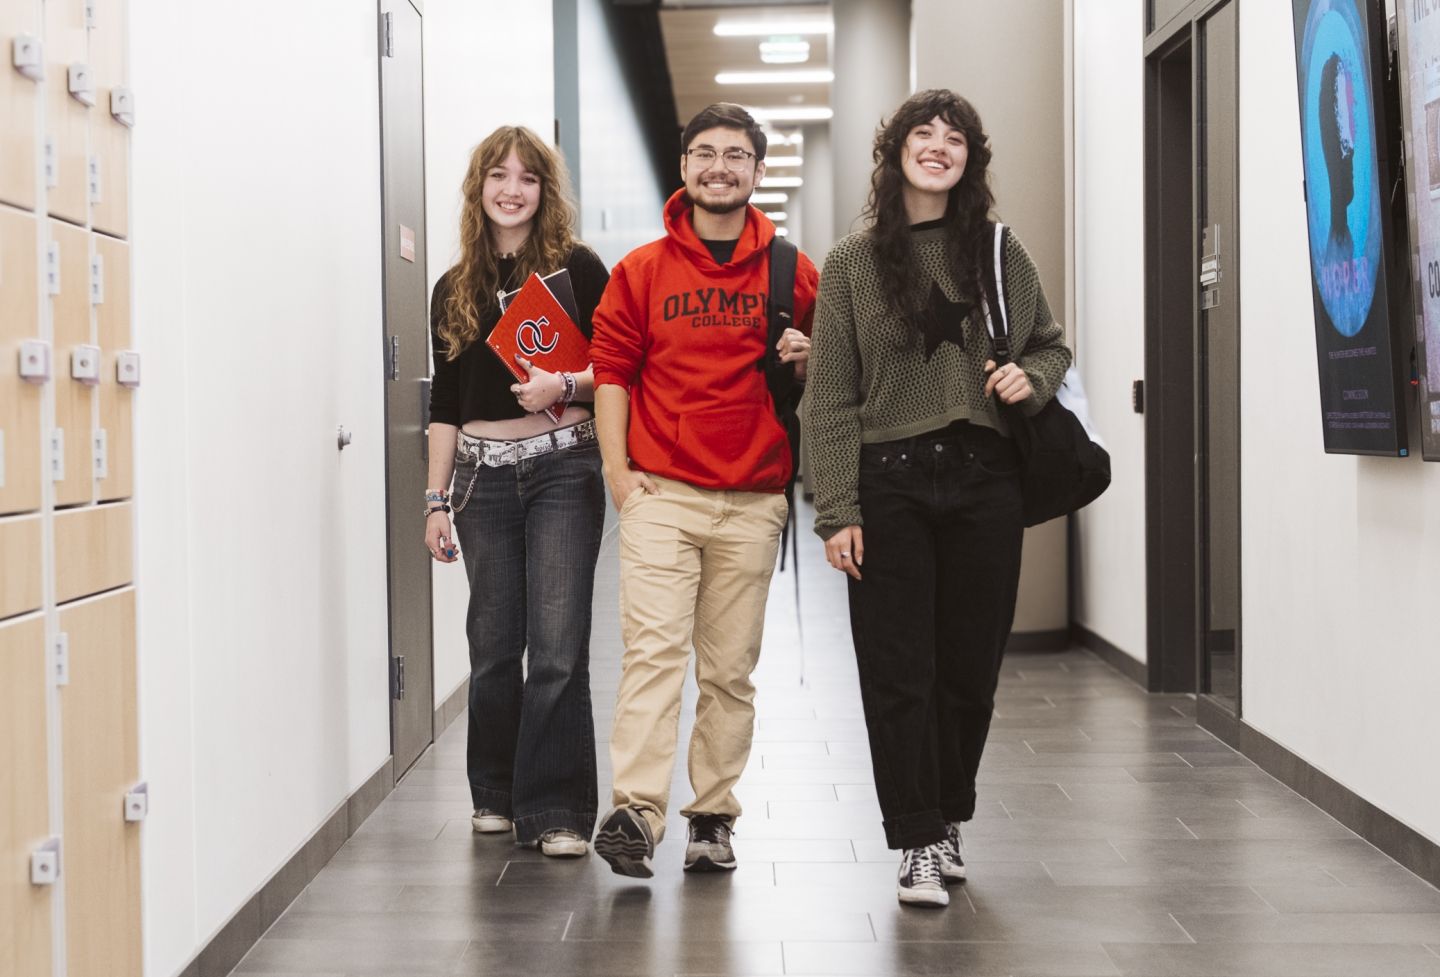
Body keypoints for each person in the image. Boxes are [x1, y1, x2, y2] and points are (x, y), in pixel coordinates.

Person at [804, 90, 1072, 907]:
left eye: (954, 138)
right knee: (897, 669)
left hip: (985, 478)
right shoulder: (851, 264)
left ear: (969, 160)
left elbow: (1050, 347)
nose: (938, 146)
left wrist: (1031, 380)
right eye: (922, 133)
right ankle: (916, 836)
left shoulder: (997, 249)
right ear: (895, 153)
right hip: (889, 482)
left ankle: (948, 815)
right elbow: (829, 398)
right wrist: (837, 509)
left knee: (969, 668)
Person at [588, 103, 819, 878]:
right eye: (706, 153)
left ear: (757, 170)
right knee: (652, 654)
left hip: (753, 498)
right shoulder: (642, 270)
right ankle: (636, 811)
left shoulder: (793, 271)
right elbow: (612, 373)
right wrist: (620, 476)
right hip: (662, 493)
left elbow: (828, 378)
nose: (720, 167)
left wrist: (806, 360)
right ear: (684, 166)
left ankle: (713, 814)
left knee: (727, 670)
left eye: (736, 155)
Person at [424, 125, 609, 858]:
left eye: (527, 177)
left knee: (558, 645)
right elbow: (444, 403)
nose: (512, 190)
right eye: (498, 176)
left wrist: (564, 384)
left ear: (545, 190)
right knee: (494, 645)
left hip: (564, 467)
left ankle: (557, 808)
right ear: (479, 188)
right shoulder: (454, 286)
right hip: (482, 477)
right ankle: (495, 793)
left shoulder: (578, 269)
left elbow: (618, 371)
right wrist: (435, 499)